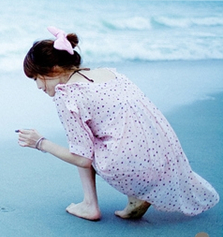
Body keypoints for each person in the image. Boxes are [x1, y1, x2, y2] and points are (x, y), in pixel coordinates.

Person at [17, 26, 219, 221]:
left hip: (130, 167)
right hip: (163, 159)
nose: (37, 86)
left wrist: (40, 142)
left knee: (82, 145)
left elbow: (82, 159)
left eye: (37, 77)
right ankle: (136, 197)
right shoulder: (109, 74)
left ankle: (90, 204)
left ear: (53, 68)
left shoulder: (67, 95)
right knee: (109, 132)